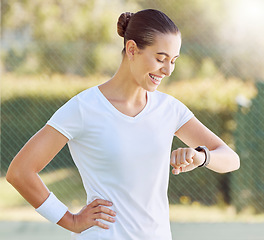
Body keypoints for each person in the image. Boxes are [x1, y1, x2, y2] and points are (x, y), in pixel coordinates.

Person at [6, 9, 240, 240]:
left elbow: (230, 159)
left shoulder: (170, 109)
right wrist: (71, 220)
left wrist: (201, 156)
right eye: (160, 59)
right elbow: (20, 172)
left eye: (173, 61)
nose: (168, 70)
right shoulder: (84, 108)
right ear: (132, 50)